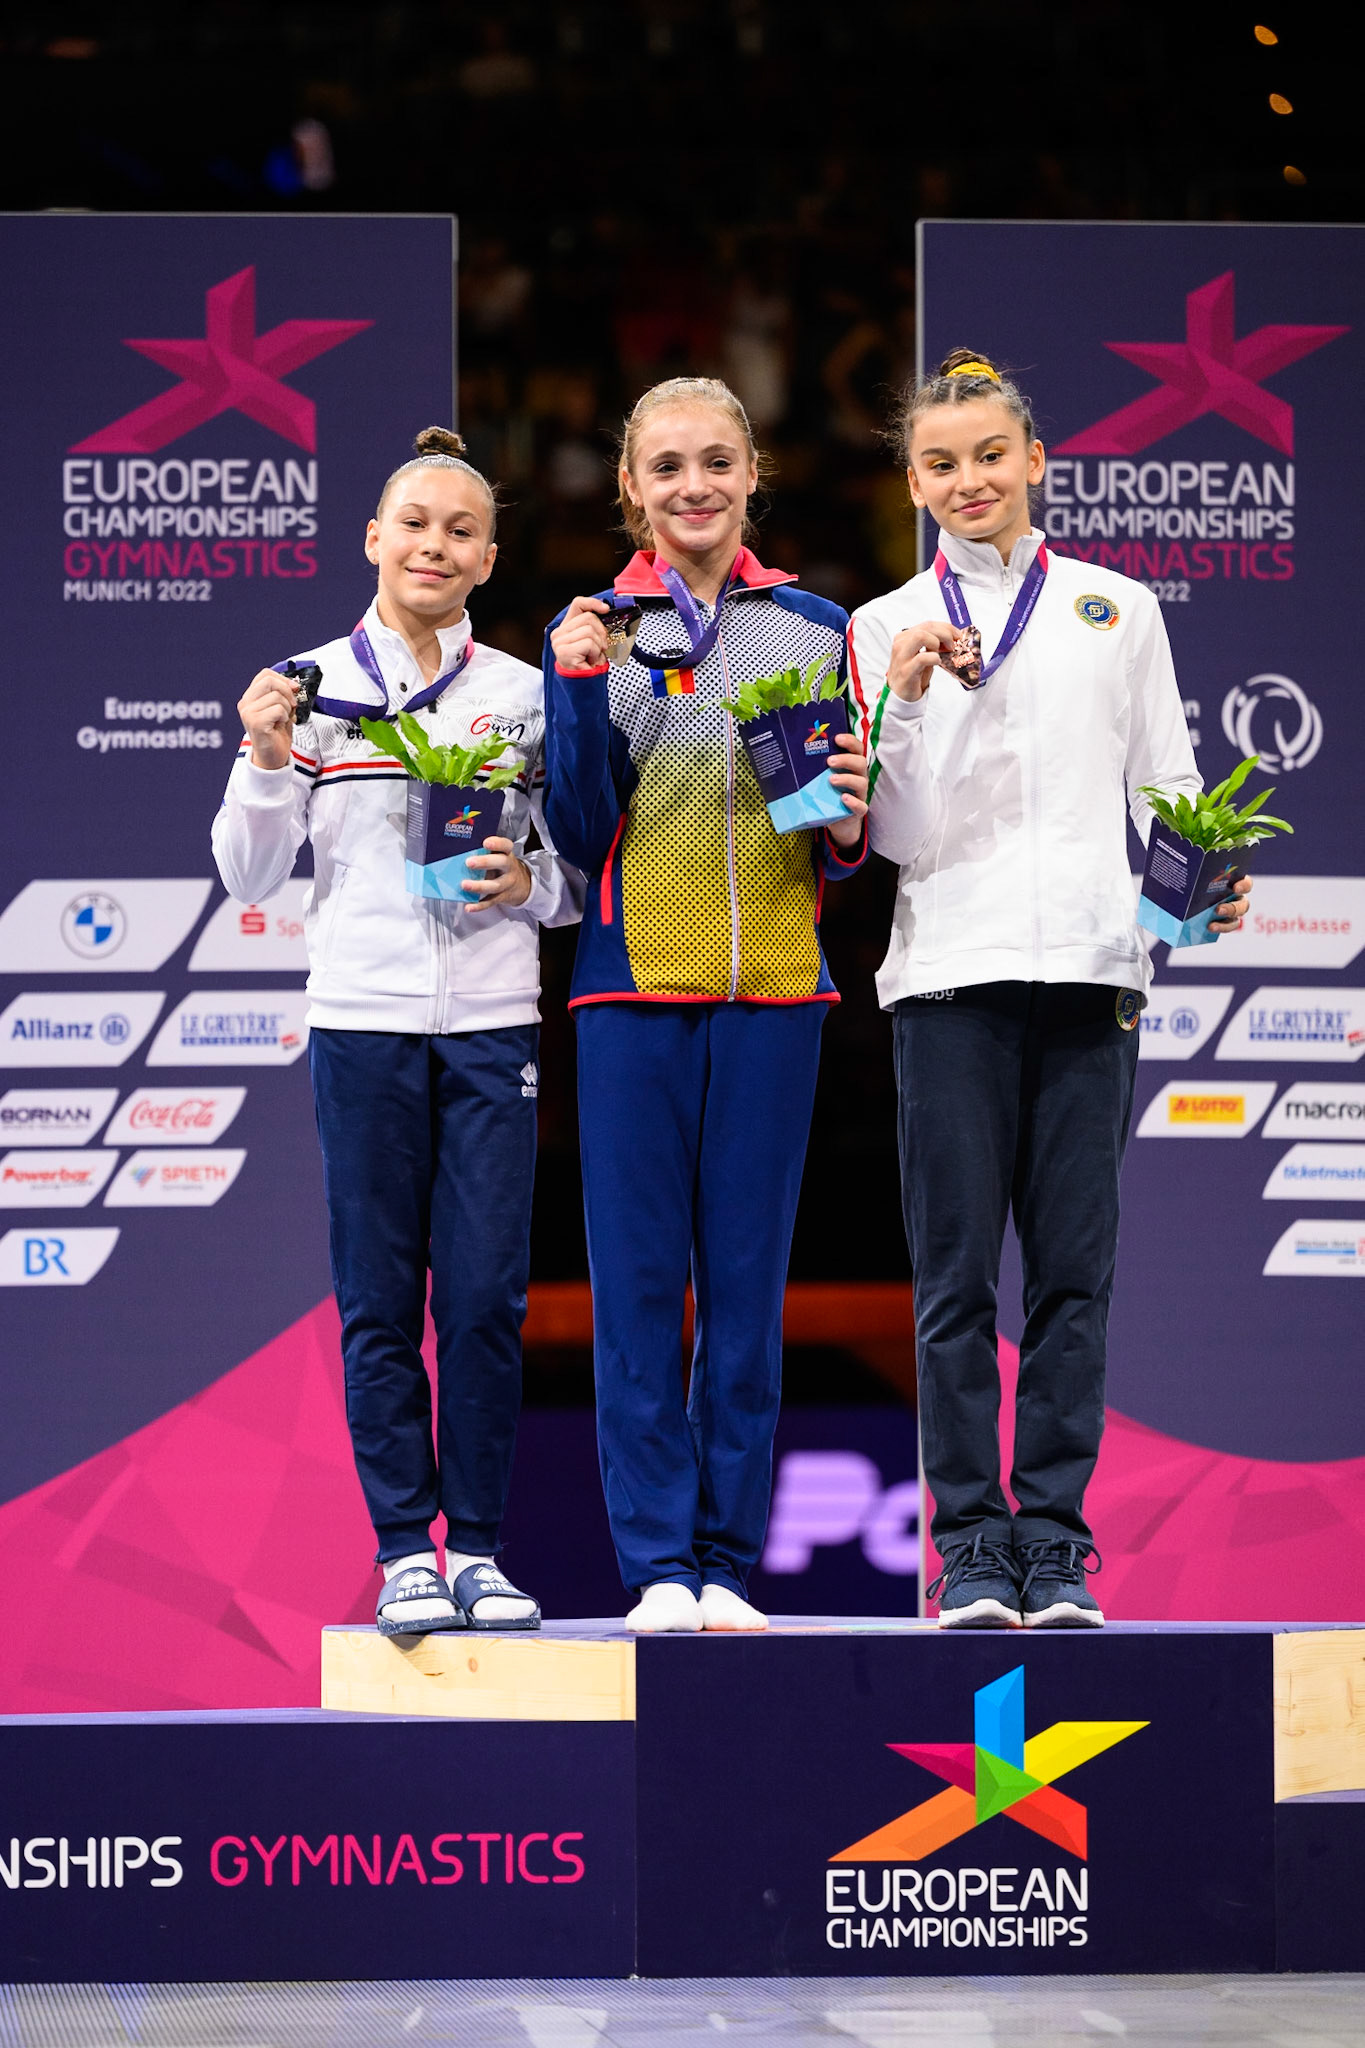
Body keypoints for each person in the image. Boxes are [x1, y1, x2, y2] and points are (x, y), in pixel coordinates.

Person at [849, 350, 1252, 1631]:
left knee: (1076, 1276)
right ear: (914, 481)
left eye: (990, 455)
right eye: (942, 462)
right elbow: (891, 834)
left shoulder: (1117, 610)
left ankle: (1058, 1540)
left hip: (1091, 972)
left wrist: (1204, 878)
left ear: (1036, 462)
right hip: (951, 980)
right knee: (957, 1278)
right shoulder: (880, 626)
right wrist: (904, 698)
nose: (969, 479)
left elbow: (1168, 786)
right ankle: (968, 1544)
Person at [212, 428, 585, 1637]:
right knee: (380, 1298)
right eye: (413, 524)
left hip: (488, 1026)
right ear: (373, 540)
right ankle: (400, 1550)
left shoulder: (527, 698)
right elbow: (251, 877)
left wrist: (519, 883)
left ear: (488, 557)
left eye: (460, 530)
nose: (435, 544)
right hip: (362, 1026)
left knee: (483, 1298)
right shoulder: (304, 688)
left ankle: (475, 1547)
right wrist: (268, 759)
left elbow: (576, 878)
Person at [543, 376, 870, 1634]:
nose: (694, 485)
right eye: (668, 465)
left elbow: (838, 841)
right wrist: (576, 689)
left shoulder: (814, 625)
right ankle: (656, 1568)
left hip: (777, 990)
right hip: (630, 989)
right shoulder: (593, 632)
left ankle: (729, 1563)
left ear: (751, 475)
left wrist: (846, 808)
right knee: (635, 1288)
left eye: (717, 462)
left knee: (747, 1289)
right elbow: (573, 836)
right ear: (632, 486)